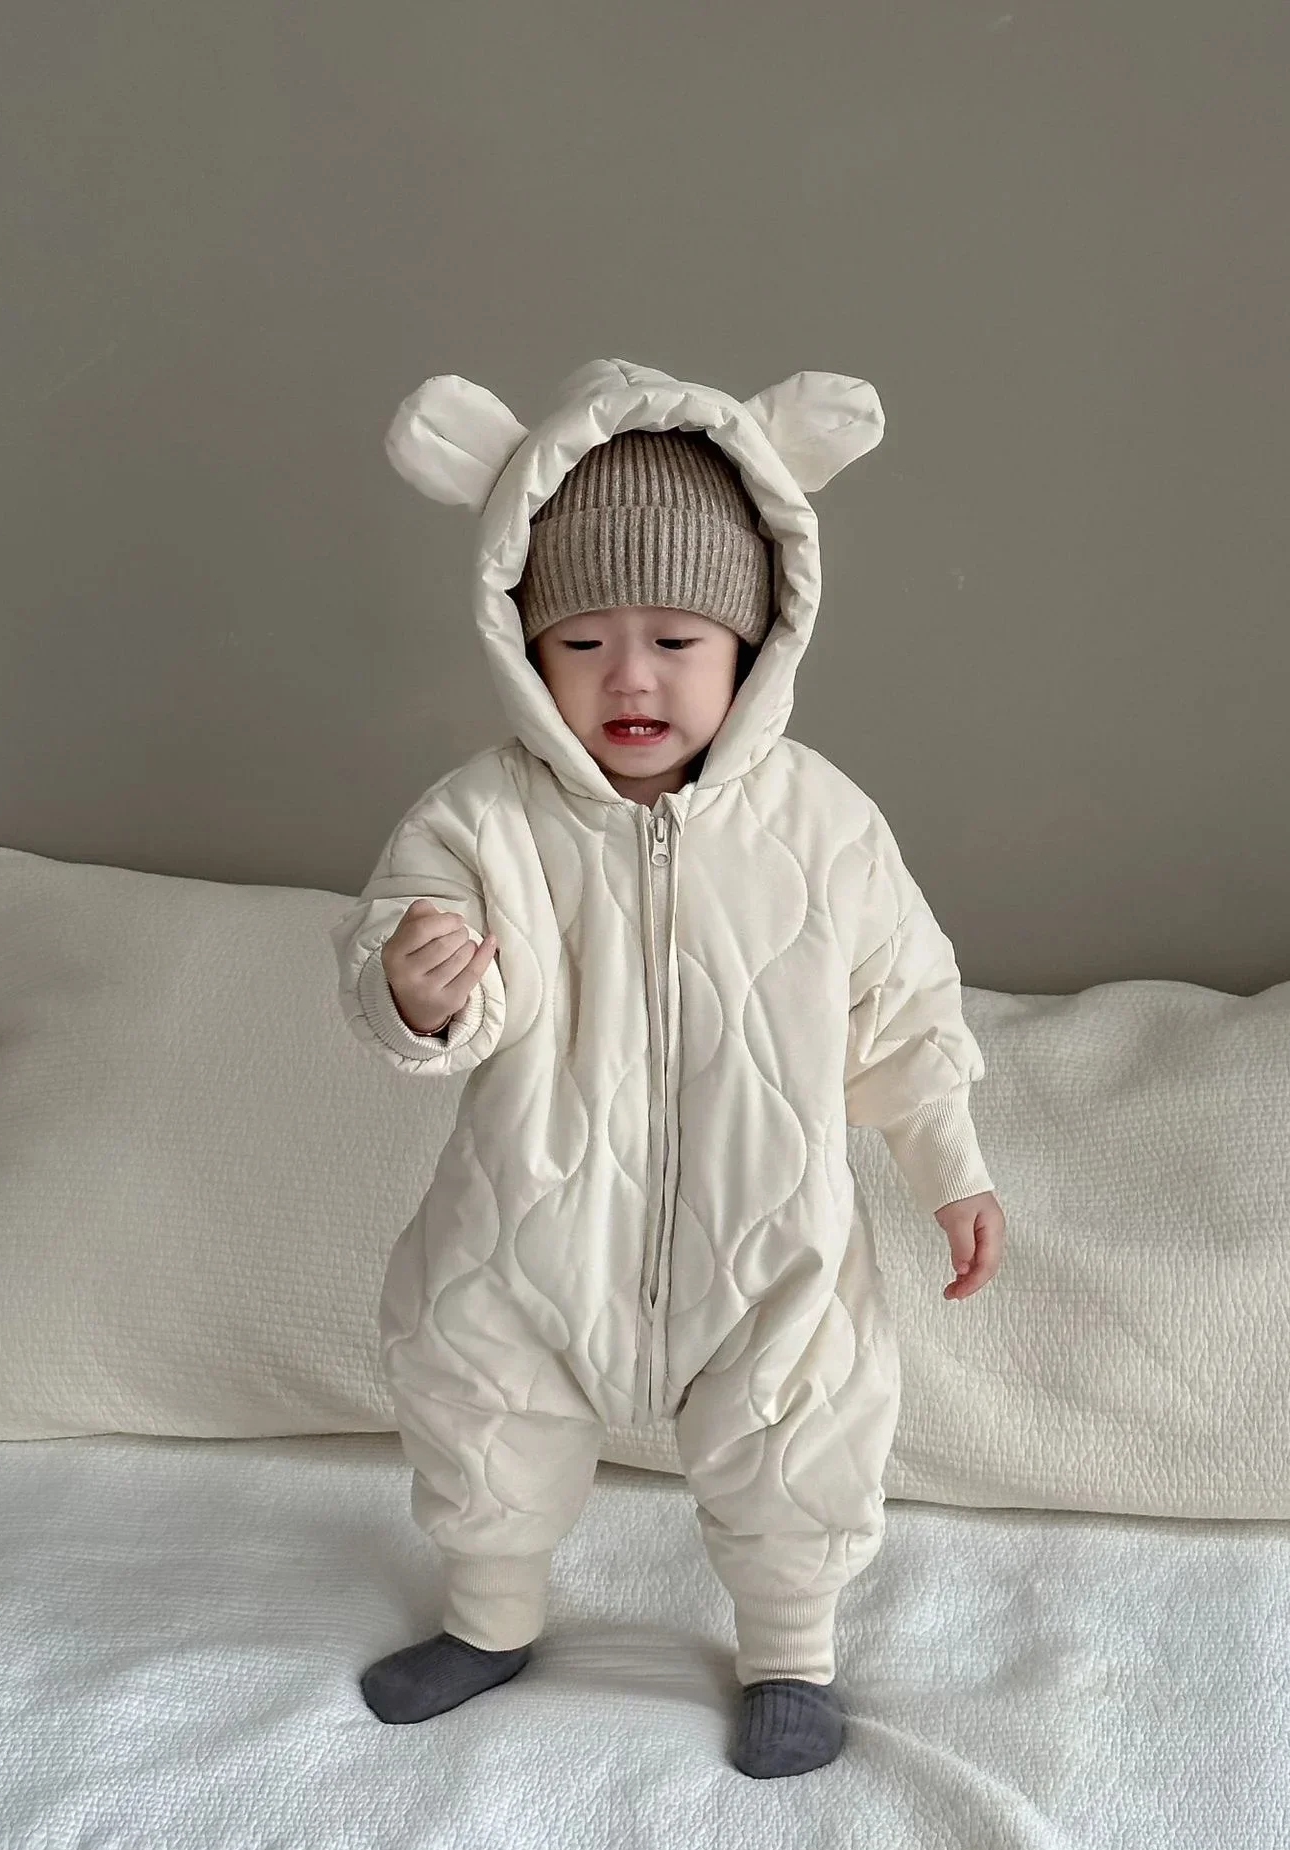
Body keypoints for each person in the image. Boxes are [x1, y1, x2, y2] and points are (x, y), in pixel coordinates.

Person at [331, 358, 1006, 1778]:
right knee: (475, 1390)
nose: (628, 677)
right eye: (580, 643)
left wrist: (949, 1166)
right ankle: (491, 1616)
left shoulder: (822, 823)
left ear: (755, 645)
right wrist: (420, 980)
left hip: (764, 1233)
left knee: (806, 1415)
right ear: (522, 649)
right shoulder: (481, 819)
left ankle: (789, 1651)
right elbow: (424, 975)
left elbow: (902, 1004)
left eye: (678, 640)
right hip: (534, 1225)